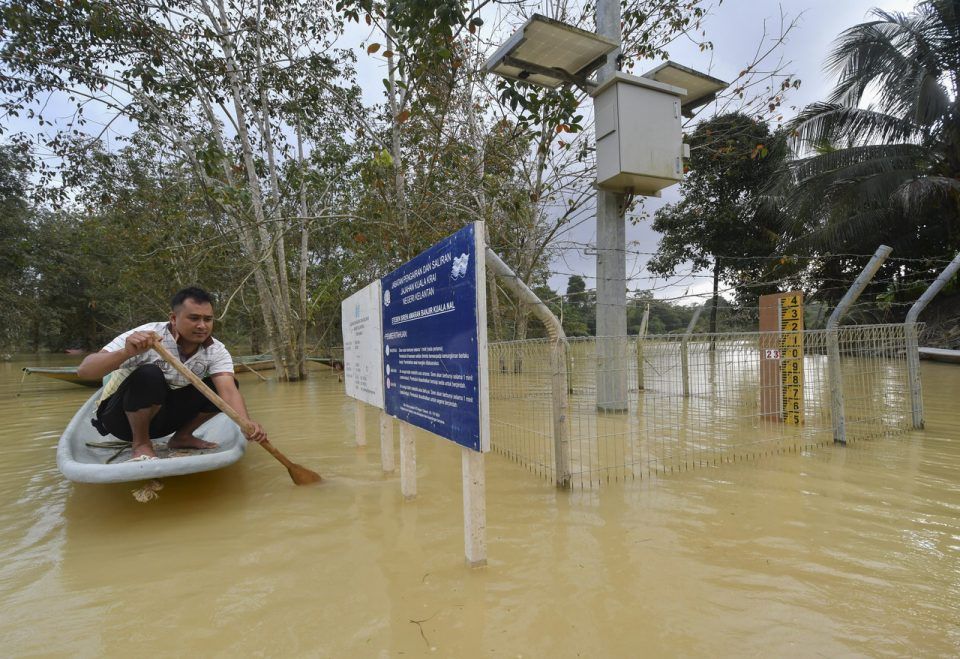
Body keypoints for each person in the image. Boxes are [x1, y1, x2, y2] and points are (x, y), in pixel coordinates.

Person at [77, 286, 268, 460]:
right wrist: (126, 352)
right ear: (173, 318)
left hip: (162, 419)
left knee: (227, 384)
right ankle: (141, 444)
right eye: (194, 318)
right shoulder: (148, 335)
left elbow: (228, 391)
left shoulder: (216, 350)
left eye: (208, 319)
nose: (202, 326)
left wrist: (246, 425)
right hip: (120, 421)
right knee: (150, 374)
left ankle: (182, 437)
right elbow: (85, 371)